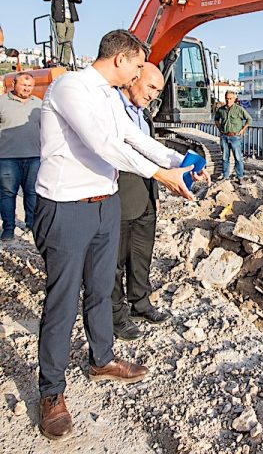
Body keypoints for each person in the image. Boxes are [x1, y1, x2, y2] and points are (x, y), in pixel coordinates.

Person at [34, 29, 209, 441]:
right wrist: (159, 175)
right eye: (136, 66)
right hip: (66, 207)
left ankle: (102, 360)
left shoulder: (110, 97)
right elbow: (104, 144)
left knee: (99, 288)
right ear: (121, 59)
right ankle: (51, 392)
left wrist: (179, 161)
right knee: (62, 298)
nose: (137, 75)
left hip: (104, 205)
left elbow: (134, 137)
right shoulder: (71, 87)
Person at [112, 63, 170, 341]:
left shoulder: (144, 117)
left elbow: (152, 156)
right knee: (114, 262)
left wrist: (155, 193)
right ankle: (115, 316)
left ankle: (140, 303)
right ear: (134, 78)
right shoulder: (111, 109)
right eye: (150, 87)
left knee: (141, 256)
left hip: (145, 195)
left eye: (157, 91)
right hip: (118, 196)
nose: (152, 95)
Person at [0, 72, 41, 240]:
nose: (26, 88)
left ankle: (31, 225)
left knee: (32, 193)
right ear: (13, 84)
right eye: (23, 85)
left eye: (30, 85)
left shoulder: (39, 105)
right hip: (7, 158)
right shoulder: (2, 102)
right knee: (7, 194)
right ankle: (8, 228)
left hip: (34, 157)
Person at [42, 0, 82, 69]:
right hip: (59, 19)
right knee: (60, 40)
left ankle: (66, 62)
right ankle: (58, 60)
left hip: (70, 19)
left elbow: (79, 0)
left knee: (69, 42)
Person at [214, 91, 250, 183]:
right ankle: (225, 176)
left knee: (238, 158)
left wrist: (242, 130)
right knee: (225, 157)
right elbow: (216, 119)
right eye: (227, 98)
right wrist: (220, 129)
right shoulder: (221, 109)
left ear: (234, 99)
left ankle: (240, 177)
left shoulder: (239, 109)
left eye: (230, 99)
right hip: (224, 137)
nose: (228, 100)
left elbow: (249, 119)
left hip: (235, 137)